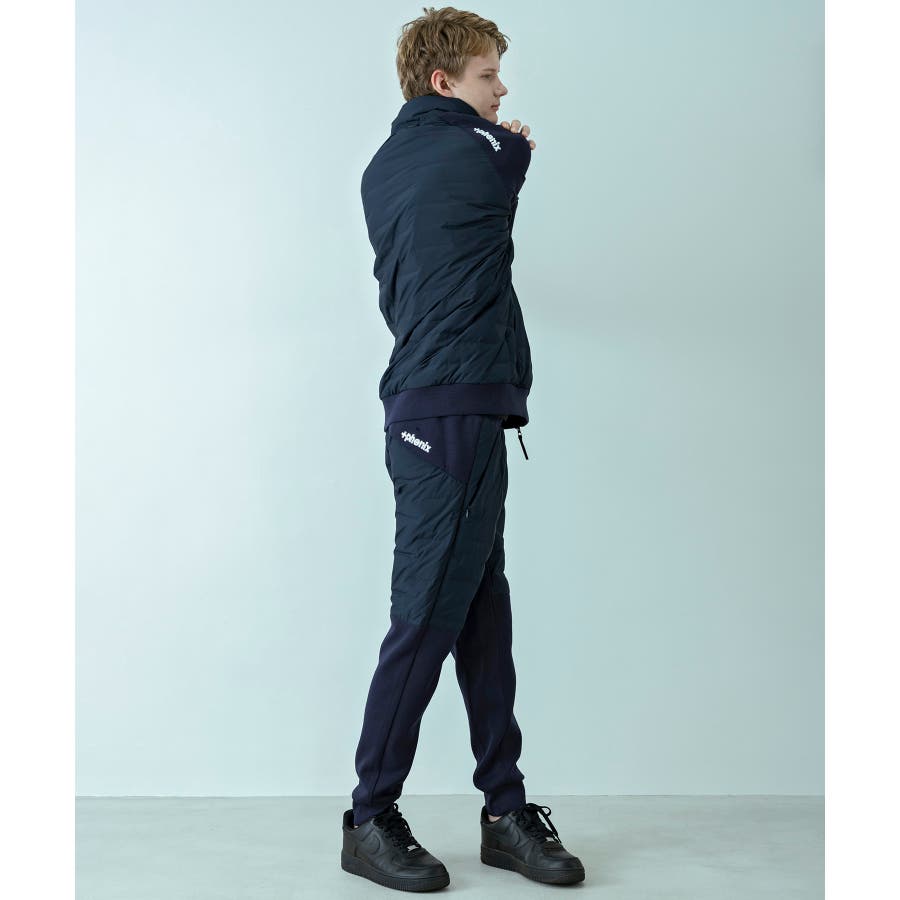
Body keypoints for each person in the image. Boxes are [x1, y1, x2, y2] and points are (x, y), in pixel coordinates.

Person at [340, 6, 585, 891]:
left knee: (482, 617)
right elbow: (502, 170)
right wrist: (507, 147)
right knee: (425, 620)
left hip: (445, 408)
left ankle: (503, 810)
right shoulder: (474, 153)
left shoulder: (387, 163)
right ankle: (369, 816)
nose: (503, 90)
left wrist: (496, 146)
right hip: (448, 412)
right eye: (488, 75)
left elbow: (472, 229)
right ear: (444, 83)